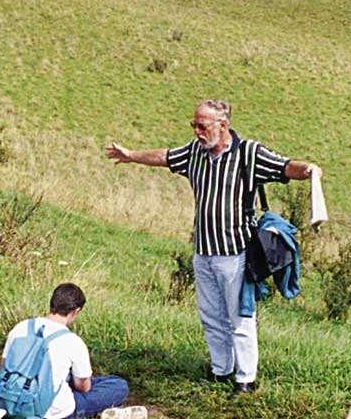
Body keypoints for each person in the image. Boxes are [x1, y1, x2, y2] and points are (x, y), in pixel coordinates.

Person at [106, 99, 319, 396]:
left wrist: (309, 170)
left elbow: (284, 167)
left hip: (236, 253)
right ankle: (221, 370)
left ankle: (246, 379)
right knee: (210, 315)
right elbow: (166, 156)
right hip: (203, 251)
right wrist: (131, 155)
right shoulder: (195, 152)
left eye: (202, 126)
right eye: (194, 125)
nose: (196, 131)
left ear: (223, 125)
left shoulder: (249, 153)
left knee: (240, 318)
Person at [0, 282, 140, 419]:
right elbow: (83, 388)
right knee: (118, 385)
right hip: (48, 411)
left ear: (52, 303)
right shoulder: (72, 341)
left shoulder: (21, 327)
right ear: (76, 311)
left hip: (8, 401)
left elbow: (3, 366)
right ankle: (101, 412)